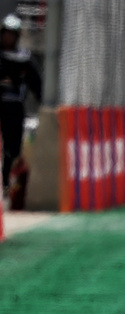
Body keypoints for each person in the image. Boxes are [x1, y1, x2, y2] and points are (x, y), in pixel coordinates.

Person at [0, 14, 40, 194]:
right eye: (5, 33)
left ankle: (8, 182)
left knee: (12, 148)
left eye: (11, 34)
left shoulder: (23, 59)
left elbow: (36, 85)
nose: (7, 37)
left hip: (14, 108)